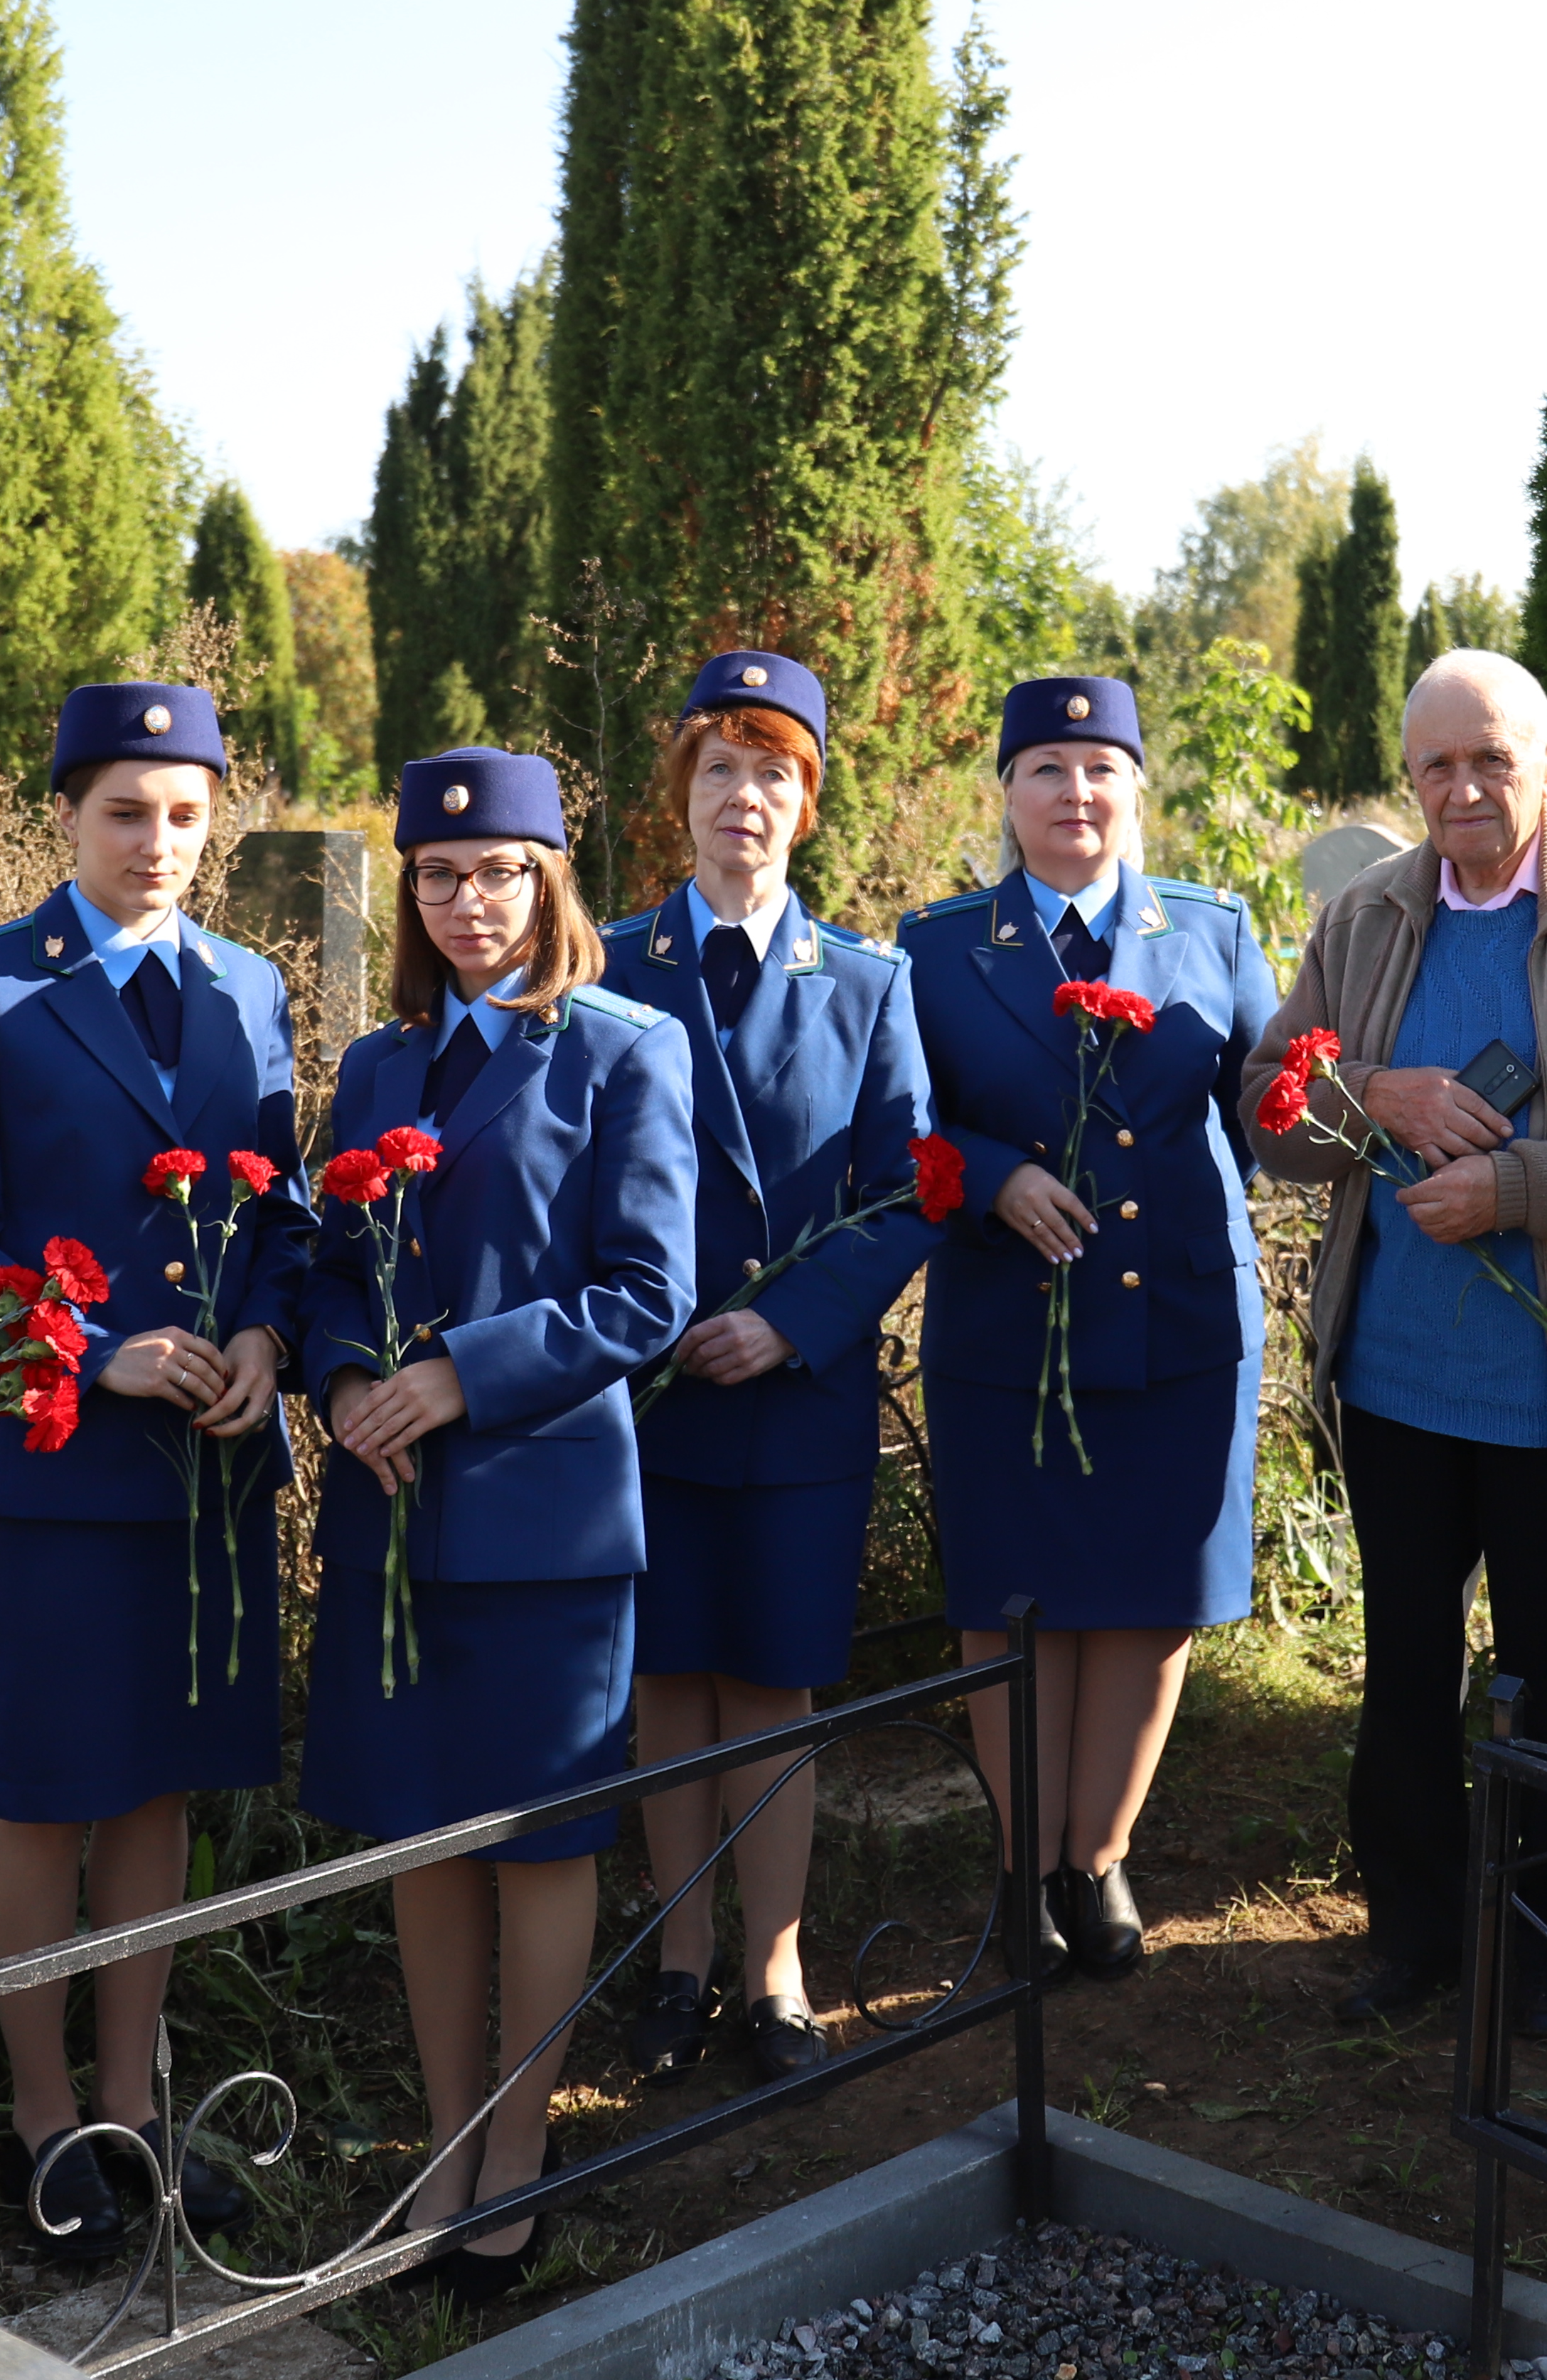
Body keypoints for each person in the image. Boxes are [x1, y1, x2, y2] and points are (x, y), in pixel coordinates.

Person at [1246, 649, 1547, 2040]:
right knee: (1406, 1666)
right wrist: (1374, 1096)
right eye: (1435, 766)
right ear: (1408, 780)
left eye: (1491, 761)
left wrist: (1513, 1188)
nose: (1463, 789)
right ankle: (1409, 1926)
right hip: (1399, 1381)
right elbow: (1272, 1109)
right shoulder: (1368, 915)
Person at [0, 682, 299, 2249]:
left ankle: (135, 2104)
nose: (158, 841)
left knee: (160, 1787)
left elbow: (272, 1211)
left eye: (187, 813)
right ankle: (42, 2113)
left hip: (203, 1470)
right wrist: (97, 1346)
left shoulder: (250, 987)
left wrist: (262, 1335)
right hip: (49, 1461)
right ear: (64, 813)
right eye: (127, 809)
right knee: (49, 1793)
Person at [297, 747, 692, 2303]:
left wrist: (456, 1378)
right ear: (412, 888)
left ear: (552, 878)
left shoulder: (625, 1048)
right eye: (443, 876)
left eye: (504, 872)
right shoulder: (381, 1067)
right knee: (421, 1830)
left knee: (536, 1843)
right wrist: (341, 1380)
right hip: (391, 1511)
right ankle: (446, 2142)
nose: (472, 902)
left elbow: (649, 1292)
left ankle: (518, 2164)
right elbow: (331, 1264)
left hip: (544, 1521)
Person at [901, 677, 1276, 1983]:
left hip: (1178, 1325)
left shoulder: (1215, 933)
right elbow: (895, 1122)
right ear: (1006, 794)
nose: (1076, 795)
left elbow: (1271, 1109)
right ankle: (1021, 1873)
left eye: (1101, 769)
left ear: (1136, 789)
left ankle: (1097, 1857)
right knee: (1019, 1608)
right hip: (1012, 1329)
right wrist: (991, 1170)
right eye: (1048, 770)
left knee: (1149, 1600)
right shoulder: (940, 947)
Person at [597, 652, 937, 2089]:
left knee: (777, 1686)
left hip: (796, 1397)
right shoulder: (606, 964)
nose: (748, 796)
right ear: (683, 797)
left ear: (808, 803)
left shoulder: (867, 980)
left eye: (776, 772)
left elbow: (915, 1183)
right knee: (670, 1681)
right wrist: (648, 1315)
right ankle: (679, 1958)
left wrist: (790, 1321)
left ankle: (777, 1971)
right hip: (654, 1390)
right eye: (722, 769)